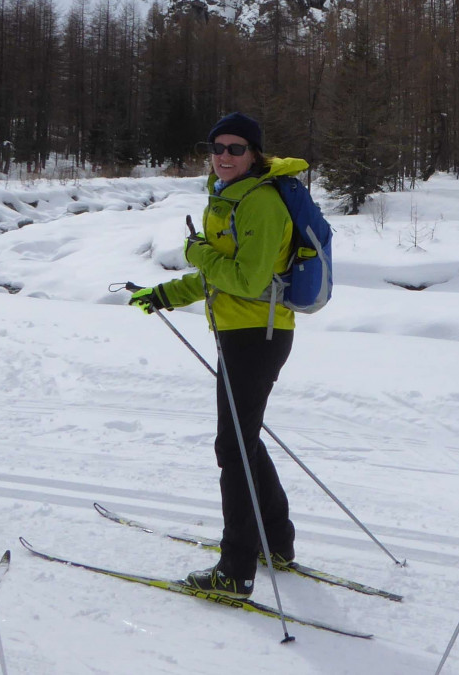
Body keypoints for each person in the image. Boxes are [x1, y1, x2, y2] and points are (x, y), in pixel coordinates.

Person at [129, 112, 306, 598]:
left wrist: (196, 252)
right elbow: (220, 275)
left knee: (234, 449)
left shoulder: (260, 203)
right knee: (243, 443)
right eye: (217, 147)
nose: (224, 156)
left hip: (258, 336)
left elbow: (246, 280)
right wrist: (164, 294)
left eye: (236, 148)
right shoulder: (229, 196)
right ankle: (275, 543)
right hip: (239, 331)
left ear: (254, 154)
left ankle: (235, 570)